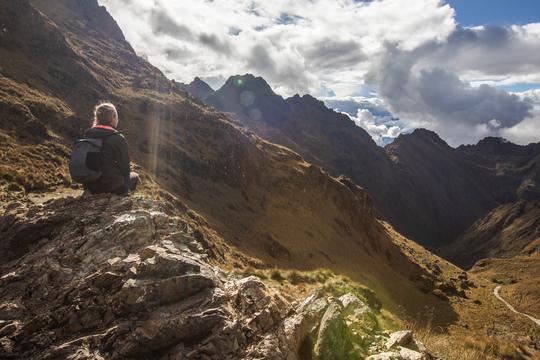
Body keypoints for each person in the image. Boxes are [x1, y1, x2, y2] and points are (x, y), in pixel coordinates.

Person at [83, 102, 139, 195]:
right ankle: (122, 198)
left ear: (97, 118)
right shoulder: (117, 137)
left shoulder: (88, 134)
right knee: (135, 176)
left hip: (90, 185)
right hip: (110, 186)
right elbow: (124, 167)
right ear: (113, 117)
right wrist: (125, 189)